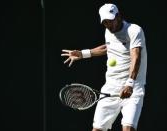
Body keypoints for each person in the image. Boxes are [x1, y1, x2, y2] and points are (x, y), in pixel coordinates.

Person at [61, 3, 147, 131]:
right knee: (97, 129)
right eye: (105, 22)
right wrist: (83, 54)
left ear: (118, 16)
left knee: (128, 129)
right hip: (110, 87)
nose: (108, 25)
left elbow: (136, 56)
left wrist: (130, 83)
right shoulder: (108, 31)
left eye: (110, 21)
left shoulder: (134, 30)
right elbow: (109, 46)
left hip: (133, 88)